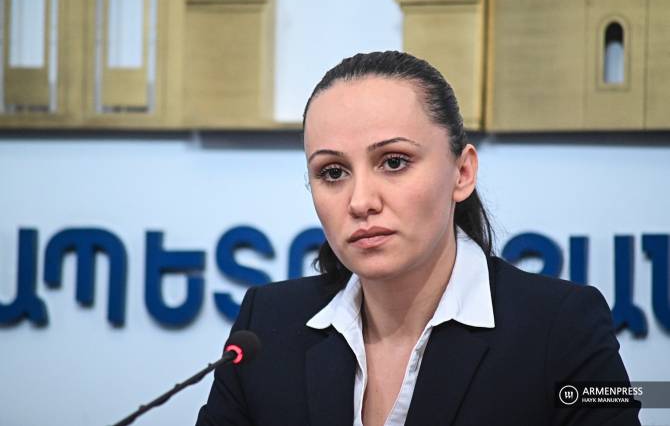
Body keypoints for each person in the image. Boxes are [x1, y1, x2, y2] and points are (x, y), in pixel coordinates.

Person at [196, 51, 640, 425]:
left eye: (394, 162)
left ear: (462, 173)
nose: (361, 201)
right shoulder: (266, 325)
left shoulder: (564, 327)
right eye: (332, 172)